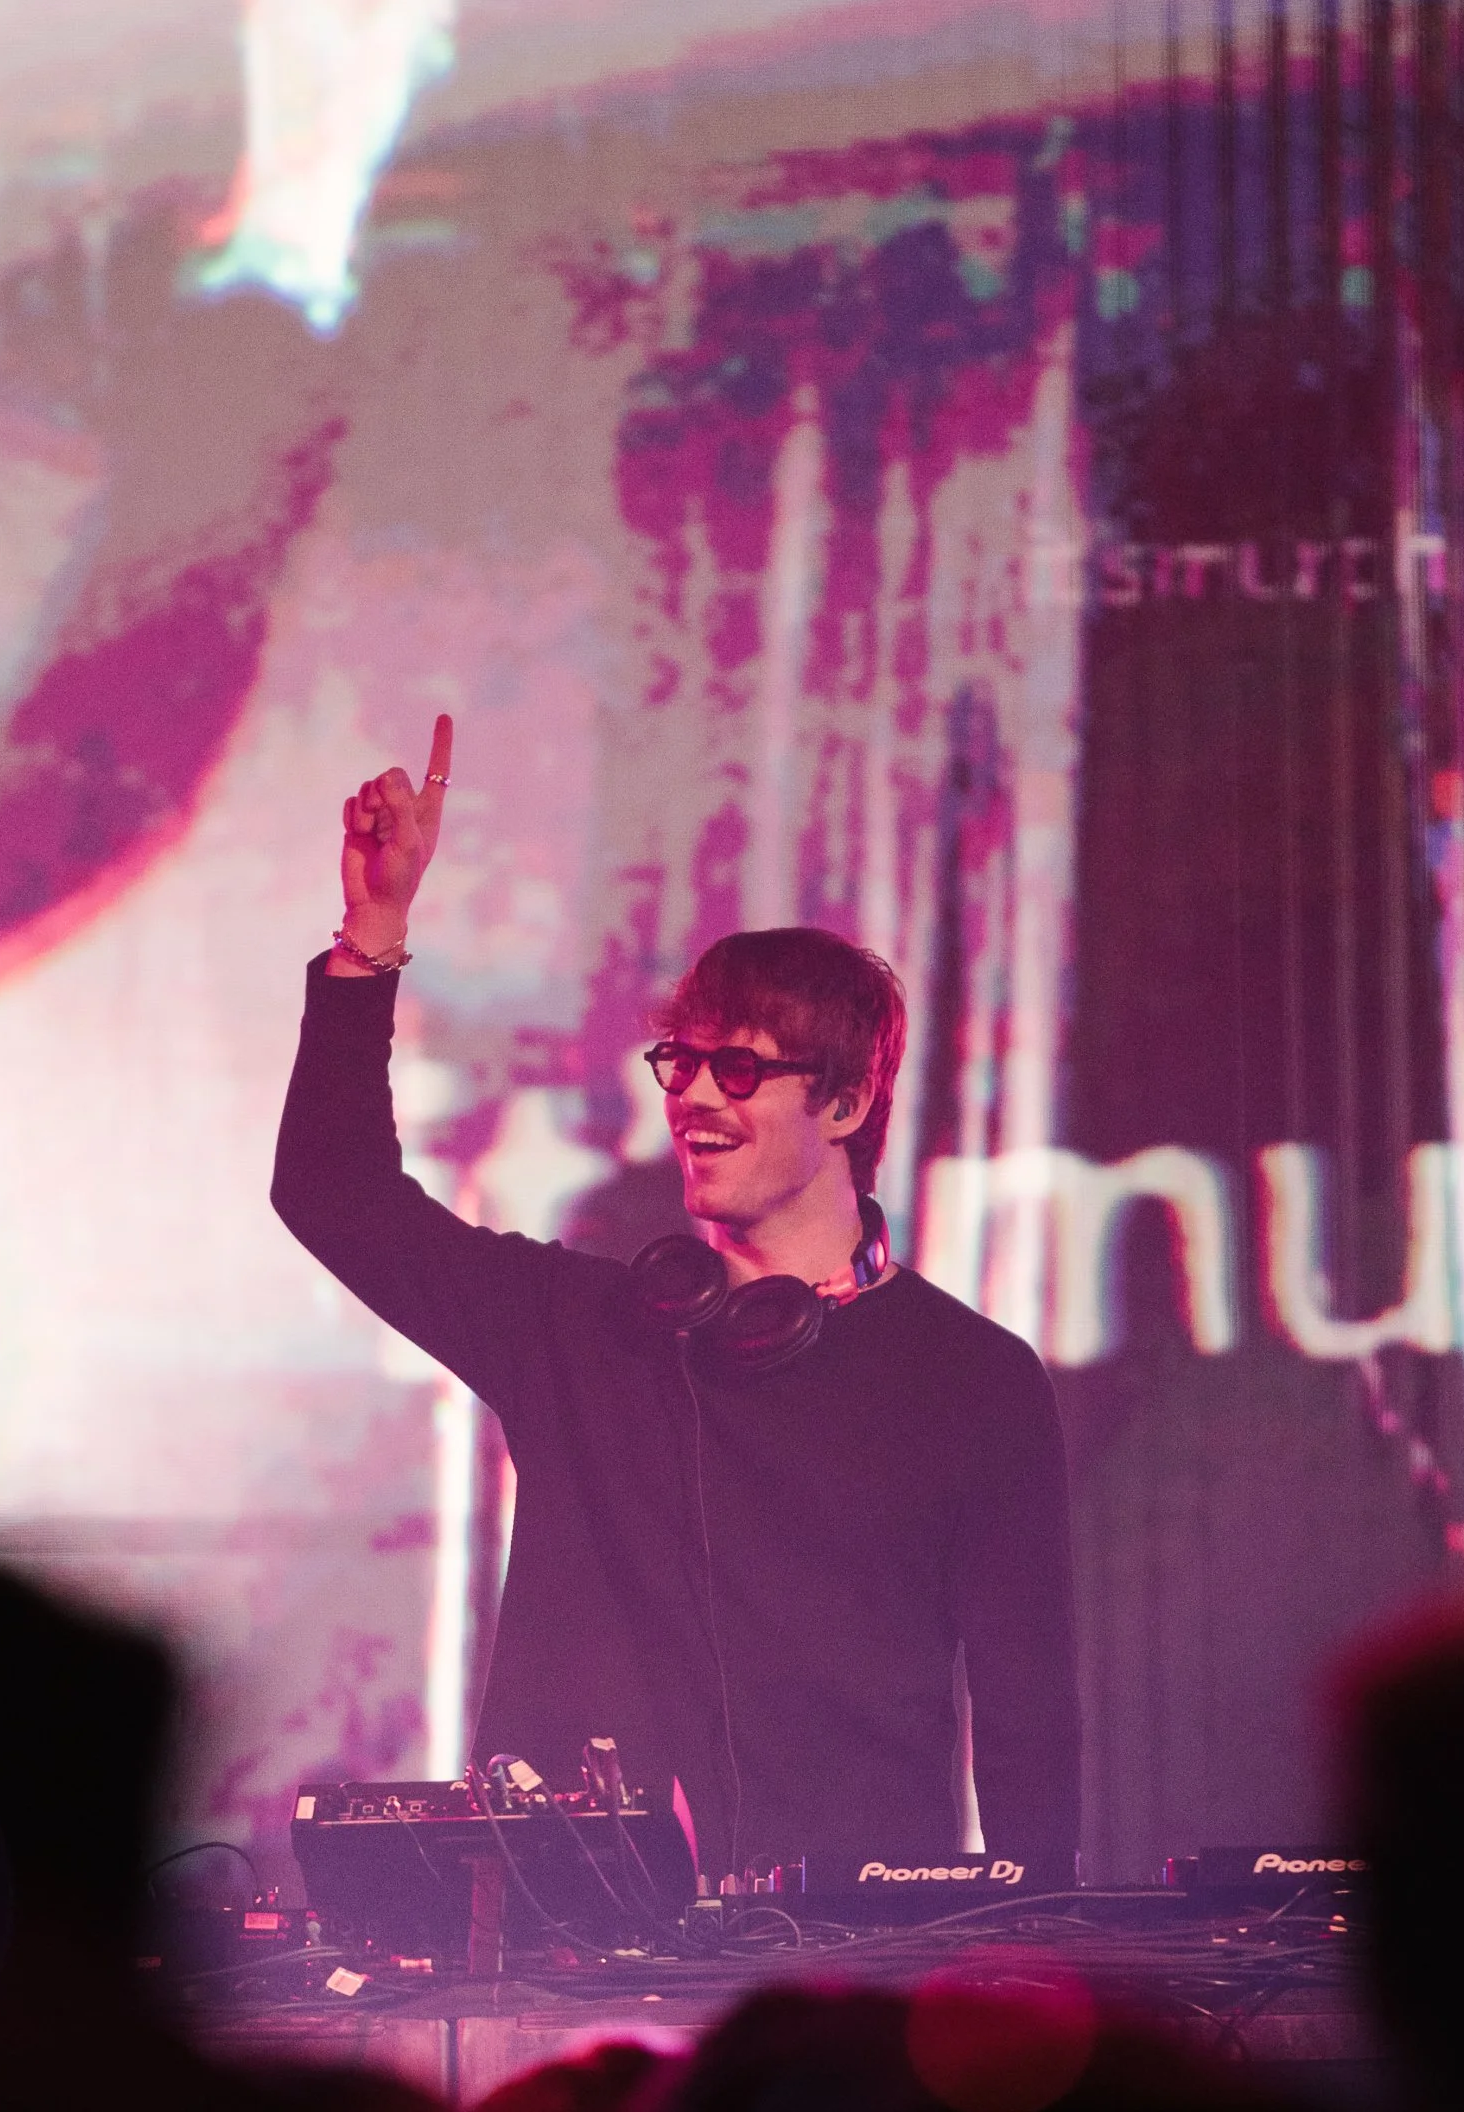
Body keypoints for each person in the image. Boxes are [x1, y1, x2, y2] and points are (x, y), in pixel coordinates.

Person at [272, 716, 1079, 1879]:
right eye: (680, 1063)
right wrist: (371, 937)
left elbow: (1027, 1722)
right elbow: (334, 1193)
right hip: (576, 1940)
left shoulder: (972, 1378)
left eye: (738, 1068)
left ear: (846, 1104)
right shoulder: (580, 1331)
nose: (694, 1095)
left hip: (849, 1952)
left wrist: (1029, 1949)